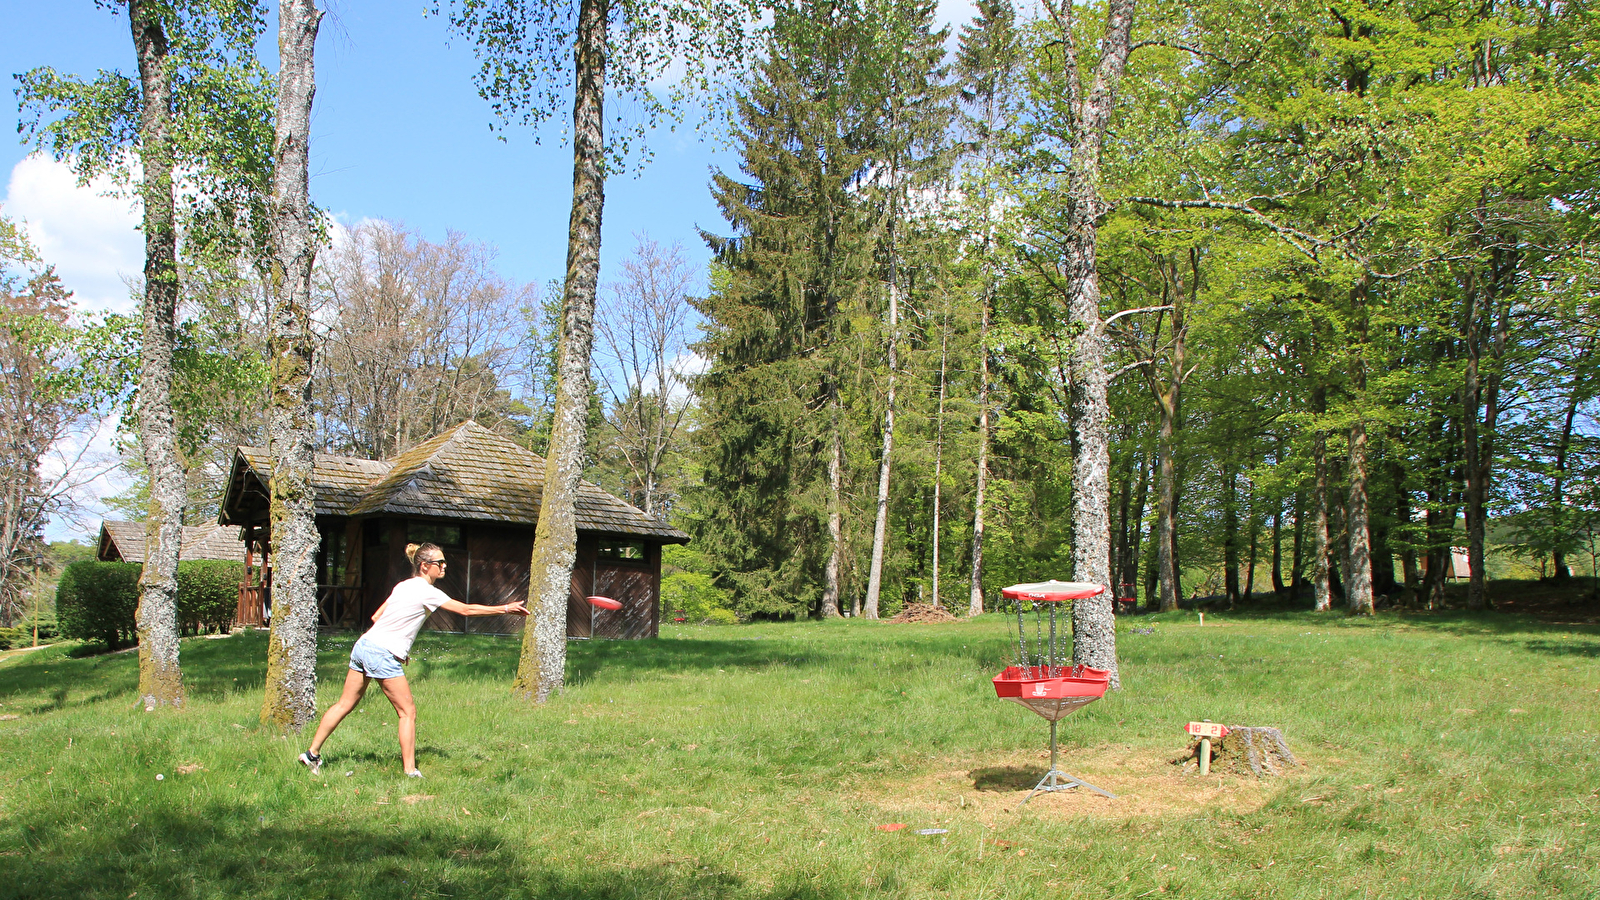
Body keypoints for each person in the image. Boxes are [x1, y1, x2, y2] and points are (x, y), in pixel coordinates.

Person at [298, 541, 528, 777]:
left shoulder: (403, 586)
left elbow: (377, 616)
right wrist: (506, 608)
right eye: (440, 562)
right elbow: (466, 610)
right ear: (425, 566)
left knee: (344, 704)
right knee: (407, 712)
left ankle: (311, 754)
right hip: (382, 653)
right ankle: (410, 771)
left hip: (364, 645)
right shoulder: (428, 592)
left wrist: (400, 649)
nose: (444, 566)